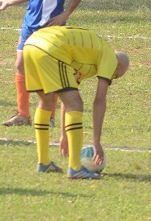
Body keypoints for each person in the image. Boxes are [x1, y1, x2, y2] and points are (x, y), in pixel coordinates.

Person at [22, 26, 129, 180]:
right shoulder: (110, 56)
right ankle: (75, 168)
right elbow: (99, 101)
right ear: (118, 65)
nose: (113, 77)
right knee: (76, 104)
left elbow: (65, 98)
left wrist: (64, 136)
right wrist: (96, 142)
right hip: (52, 47)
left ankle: (43, 163)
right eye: (116, 75)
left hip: (31, 44)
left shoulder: (86, 56)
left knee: (46, 101)